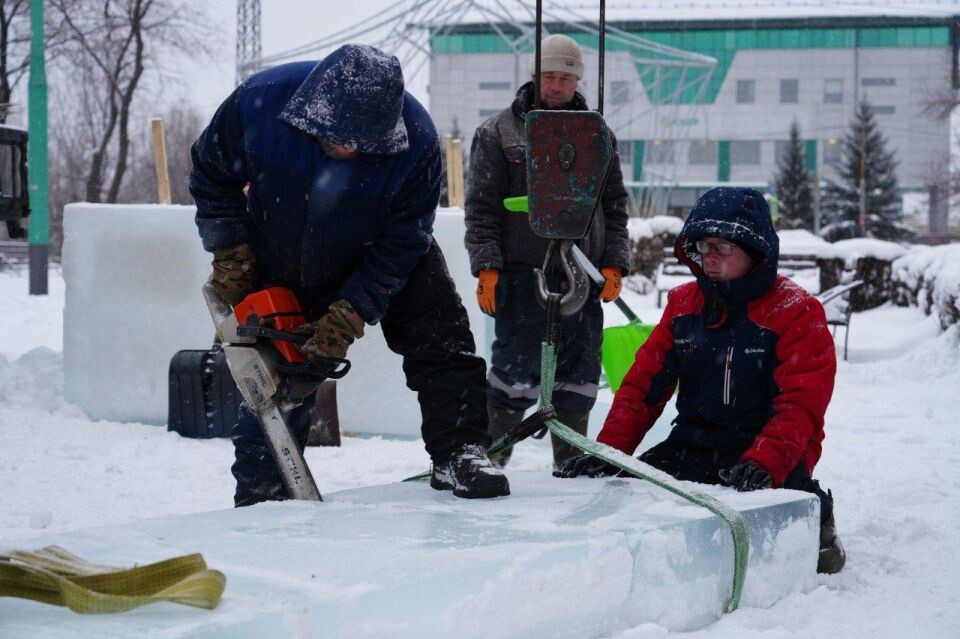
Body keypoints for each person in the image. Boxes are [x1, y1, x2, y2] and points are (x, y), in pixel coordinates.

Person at [190, 44, 509, 503]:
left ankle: (461, 452)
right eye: (341, 138)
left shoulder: (416, 140)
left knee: (442, 339)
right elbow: (210, 174)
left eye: (365, 143)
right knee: (273, 373)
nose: (351, 149)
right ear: (316, 110)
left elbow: (404, 240)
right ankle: (265, 487)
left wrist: (351, 311)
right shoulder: (260, 102)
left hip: (382, 245)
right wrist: (231, 253)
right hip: (278, 245)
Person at [554, 186, 846, 574]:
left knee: (785, 509)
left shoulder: (796, 312)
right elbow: (641, 390)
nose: (709, 256)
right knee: (634, 494)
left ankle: (819, 521)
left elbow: (802, 403)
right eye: (703, 246)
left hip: (767, 448)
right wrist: (611, 455)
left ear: (756, 252)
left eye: (722, 248)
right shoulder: (683, 305)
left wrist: (766, 460)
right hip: (694, 441)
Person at [464, 34, 630, 468]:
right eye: (548, 77)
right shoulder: (498, 133)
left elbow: (614, 204)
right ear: (535, 77)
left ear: (577, 80)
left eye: (565, 78)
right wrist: (488, 266)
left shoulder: (598, 134)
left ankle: (572, 460)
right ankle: (491, 458)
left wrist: (614, 262)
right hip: (522, 274)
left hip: (583, 272)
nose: (556, 86)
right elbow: (481, 207)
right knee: (512, 372)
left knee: (579, 373)